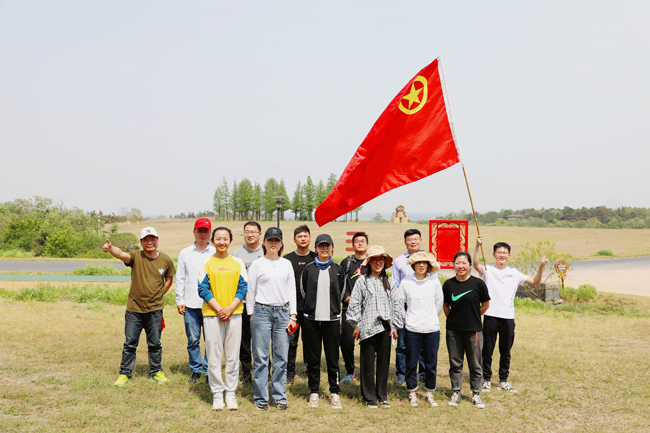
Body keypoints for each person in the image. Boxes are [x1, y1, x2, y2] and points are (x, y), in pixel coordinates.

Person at [474, 236, 548, 393]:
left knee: (506, 351)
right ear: (493, 255)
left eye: (504, 252)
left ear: (509, 255)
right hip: (490, 315)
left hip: (508, 317)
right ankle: (486, 380)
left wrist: (541, 266)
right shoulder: (488, 270)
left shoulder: (514, 273)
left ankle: (503, 381)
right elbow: (475, 264)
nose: (501, 255)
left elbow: (535, 282)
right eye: (499, 252)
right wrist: (477, 246)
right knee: (487, 350)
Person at [104, 227, 176, 388]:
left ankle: (156, 371)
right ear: (141, 242)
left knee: (155, 343)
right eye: (146, 239)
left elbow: (169, 279)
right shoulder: (136, 256)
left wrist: (160, 294)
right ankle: (125, 373)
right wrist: (111, 248)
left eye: (152, 239)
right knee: (130, 343)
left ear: (157, 240)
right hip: (134, 309)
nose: (150, 242)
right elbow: (121, 254)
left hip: (155, 310)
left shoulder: (165, 259)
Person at [197, 227, 248, 411]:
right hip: (212, 315)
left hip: (234, 314)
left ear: (230, 241)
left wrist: (230, 308)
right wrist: (220, 309)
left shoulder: (238, 262)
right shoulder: (206, 263)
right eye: (218, 238)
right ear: (212, 241)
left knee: (233, 356)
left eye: (225, 238)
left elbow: (243, 287)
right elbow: (202, 289)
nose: (222, 242)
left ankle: (231, 394)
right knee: (214, 355)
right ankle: (218, 395)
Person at [247, 227, 297, 411]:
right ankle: (261, 398)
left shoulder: (286, 264)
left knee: (281, 357)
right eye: (270, 240)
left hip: (283, 312)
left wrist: (293, 315)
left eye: (277, 240)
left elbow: (291, 290)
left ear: (281, 243)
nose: (273, 244)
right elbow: (250, 290)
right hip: (261, 312)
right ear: (264, 243)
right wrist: (251, 314)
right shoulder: (257, 264)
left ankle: (279, 397)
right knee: (261, 357)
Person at [346, 246, 399, 409]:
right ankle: (369, 396)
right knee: (367, 362)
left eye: (381, 260)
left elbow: (396, 305)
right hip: (367, 325)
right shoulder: (362, 281)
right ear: (369, 262)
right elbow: (355, 303)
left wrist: (395, 326)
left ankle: (382, 395)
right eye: (374, 260)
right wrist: (356, 324)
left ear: (384, 262)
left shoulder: (390, 282)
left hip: (385, 326)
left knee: (384, 363)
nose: (378, 263)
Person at [300, 234, 345, 409]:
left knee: (333, 358)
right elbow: (303, 291)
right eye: (321, 246)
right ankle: (314, 391)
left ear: (332, 248)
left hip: (332, 320)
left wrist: (333, 307)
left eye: (327, 246)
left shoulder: (338, 269)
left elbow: (342, 291)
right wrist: (311, 307)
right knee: (313, 358)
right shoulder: (308, 269)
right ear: (316, 248)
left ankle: (334, 392)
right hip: (312, 320)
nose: (324, 249)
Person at [443, 252, 490, 409]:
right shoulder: (448, 284)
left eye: (464, 263)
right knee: (455, 363)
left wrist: (473, 317)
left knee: (475, 364)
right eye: (458, 263)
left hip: (474, 330)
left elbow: (485, 305)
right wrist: (454, 319)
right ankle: (456, 391)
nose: (461, 266)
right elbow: (445, 305)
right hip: (453, 331)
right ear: (453, 265)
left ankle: (476, 394)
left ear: (470, 265)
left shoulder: (478, 284)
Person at [397, 251, 443, 408]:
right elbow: (400, 304)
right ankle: (412, 392)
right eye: (418, 263)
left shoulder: (434, 283)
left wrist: (431, 317)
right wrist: (407, 320)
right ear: (413, 265)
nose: (421, 265)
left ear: (429, 266)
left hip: (431, 328)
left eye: (424, 263)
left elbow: (438, 304)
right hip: (412, 328)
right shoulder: (406, 283)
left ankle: (429, 392)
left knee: (431, 362)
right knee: (411, 361)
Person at [391, 228, 435, 385]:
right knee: (402, 344)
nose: (413, 242)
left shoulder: (429, 259)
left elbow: (434, 285)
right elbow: (395, 284)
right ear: (405, 242)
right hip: (404, 307)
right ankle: (402, 374)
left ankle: (422, 373)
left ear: (421, 241)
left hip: (423, 308)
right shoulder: (399, 261)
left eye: (416, 239)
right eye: (410, 239)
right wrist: (397, 309)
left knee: (423, 343)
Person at [175, 218, 216, 383]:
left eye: (206, 231)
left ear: (210, 233)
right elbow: (180, 278)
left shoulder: (215, 252)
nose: (202, 234)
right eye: (199, 231)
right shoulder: (185, 253)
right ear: (194, 232)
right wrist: (180, 300)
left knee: (211, 340)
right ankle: (196, 370)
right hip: (191, 304)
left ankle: (208, 371)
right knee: (193, 339)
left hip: (211, 304)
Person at [283, 225, 317, 385]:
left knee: (310, 342)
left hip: (312, 309)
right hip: (292, 310)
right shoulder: (287, 260)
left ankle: (311, 371)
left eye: (305, 236)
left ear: (310, 238)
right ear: (294, 239)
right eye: (299, 236)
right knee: (291, 342)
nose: (303, 239)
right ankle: (289, 372)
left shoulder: (316, 258)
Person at [232, 221, 263, 386]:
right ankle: (246, 372)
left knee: (262, 339)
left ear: (260, 234)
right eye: (246, 232)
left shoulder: (265, 252)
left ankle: (264, 370)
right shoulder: (236, 254)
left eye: (253, 231)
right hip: (242, 303)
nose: (249, 234)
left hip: (262, 303)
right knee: (244, 340)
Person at [339, 232, 369, 383]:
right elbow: (339, 283)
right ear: (353, 245)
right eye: (357, 241)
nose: (360, 243)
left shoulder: (372, 261)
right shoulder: (347, 263)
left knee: (368, 343)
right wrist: (346, 297)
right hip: (349, 309)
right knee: (346, 342)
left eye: (363, 241)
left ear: (367, 245)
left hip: (368, 310)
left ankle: (367, 372)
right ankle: (350, 371)